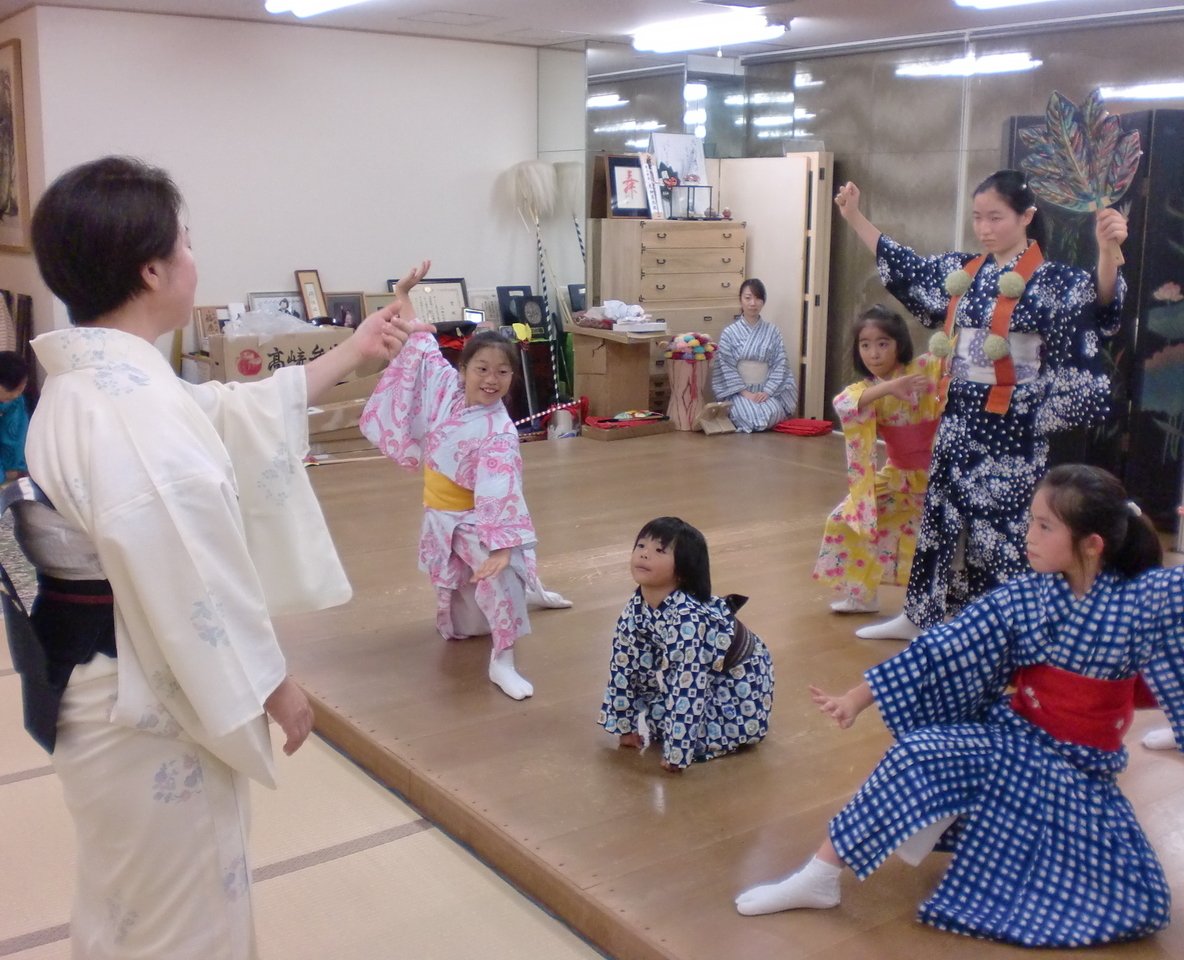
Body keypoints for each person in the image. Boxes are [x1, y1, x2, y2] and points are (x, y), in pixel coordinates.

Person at [21, 155, 422, 959]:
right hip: (140, 702)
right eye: (187, 242)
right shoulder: (131, 411)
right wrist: (273, 682)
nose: (194, 258)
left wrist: (354, 350)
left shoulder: (101, 384)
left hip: (96, 681)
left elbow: (230, 410)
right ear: (151, 269)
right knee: (181, 926)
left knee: (129, 907)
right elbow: (189, 570)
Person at [735, 463, 1184, 947]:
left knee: (1130, 902)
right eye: (1031, 522)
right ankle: (820, 876)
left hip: (1079, 775)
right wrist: (857, 699)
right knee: (919, 753)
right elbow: (943, 647)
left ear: (1092, 543)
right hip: (1013, 739)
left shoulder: (1146, 599)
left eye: (1045, 526)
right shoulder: (1026, 596)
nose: (1029, 536)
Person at [836, 170, 1128, 640]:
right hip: (959, 413)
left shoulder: (1054, 279)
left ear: (1026, 216)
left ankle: (1001, 624)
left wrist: (1108, 251)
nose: (984, 228)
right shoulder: (964, 272)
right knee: (940, 512)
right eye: (978, 217)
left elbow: (1099, 307)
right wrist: (854, 217)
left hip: (1014, 419)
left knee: (1006, 524)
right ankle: (921, 614)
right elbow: (907, 266)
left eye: (996, 217)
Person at [360, 262, 571, 702]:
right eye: (482, 368)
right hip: (439, 514)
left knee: (502, 576)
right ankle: (531, 588)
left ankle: (504, 660)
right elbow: (421, 342)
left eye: (502, 372)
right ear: (463, 368)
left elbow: (500, 492)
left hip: (477, 519)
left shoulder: (499, 432)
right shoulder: (445, 386)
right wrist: (402, 293)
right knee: (462, 624)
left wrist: (501, 548)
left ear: (512, 378)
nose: (491, 379)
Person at [599, 517, 773, 770]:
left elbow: (688, 683)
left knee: (698, 732)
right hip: (705, 672)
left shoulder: (688, 618)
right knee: (661, 719)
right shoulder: (635, 607)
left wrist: (676, 752)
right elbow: (624, 667)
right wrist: (625, 728)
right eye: (641, 546)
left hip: (740, 675)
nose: (644, 554)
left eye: (660, 550)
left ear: (683, 570)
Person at [815, 305, 942, 615]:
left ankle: (942, 604)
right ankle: (862, 596)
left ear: (899, 344)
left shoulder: (922, 370)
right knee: (848, 520)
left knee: (939, 542)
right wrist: (889, 388)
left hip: (938, 477)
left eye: (883, 343)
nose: (874, 353)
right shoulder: (867, 389)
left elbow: (945, 360)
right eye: (865, 345)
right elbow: (843, 403)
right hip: (898, 475)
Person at [710, 278, 798, 433]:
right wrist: (745, 393)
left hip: (765, 391)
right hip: (738, 392)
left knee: (773, 412)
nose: (753, 303)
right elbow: (726, 367)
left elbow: (780, 364)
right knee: (746, 414)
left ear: (763, 301)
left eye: (758, 298)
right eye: (748, 298)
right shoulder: (729, 333)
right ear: (740, 300)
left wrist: (767, 392)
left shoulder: (773, 331)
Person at [0, 350, 29, 480]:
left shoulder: (16, 400)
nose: (16, 394)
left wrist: (18, 467)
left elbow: (18, 434)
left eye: (21, 388)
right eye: (12, 391)